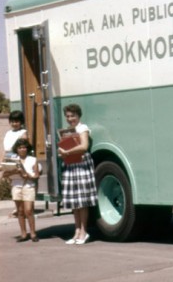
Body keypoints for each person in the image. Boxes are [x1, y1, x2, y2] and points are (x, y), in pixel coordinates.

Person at [57, 103, 97, 245]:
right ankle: (77, 231)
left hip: (81, 164)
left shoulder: (82, 128)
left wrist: (67, 152)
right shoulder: (68, 131)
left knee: (82, 201)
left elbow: (84, 146)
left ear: (78, 115)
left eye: (72, 116)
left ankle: (84, 231)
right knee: (75, 201)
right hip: (70, 164)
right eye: (67, 116)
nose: (70, 119)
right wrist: (62, 153)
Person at [3, 138, 40, 242]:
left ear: (27, 148)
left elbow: (36, 176)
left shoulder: (33, 159)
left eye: (24, 147)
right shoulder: (12, 160)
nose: (22, 149)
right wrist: (14, 171)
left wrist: (26, 175)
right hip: (16, 186)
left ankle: (33, 233)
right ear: (16, 149)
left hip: (28, 186)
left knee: (29, 210)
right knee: (20, 211)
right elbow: (4, 175)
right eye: (20, 147)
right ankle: (23, 234)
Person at [0, 110, 28, 218]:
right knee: (13, 183)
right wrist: (2, 162)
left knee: (21, 181)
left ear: (21, 122)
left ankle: (23, 207)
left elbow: (23, 147)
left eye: (17, 121)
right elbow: (5, 149)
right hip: (8, 157)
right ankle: (18, 207)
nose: (14, 123)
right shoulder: (8, 133)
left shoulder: (23, 132)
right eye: (12, 121)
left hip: (18, 157)